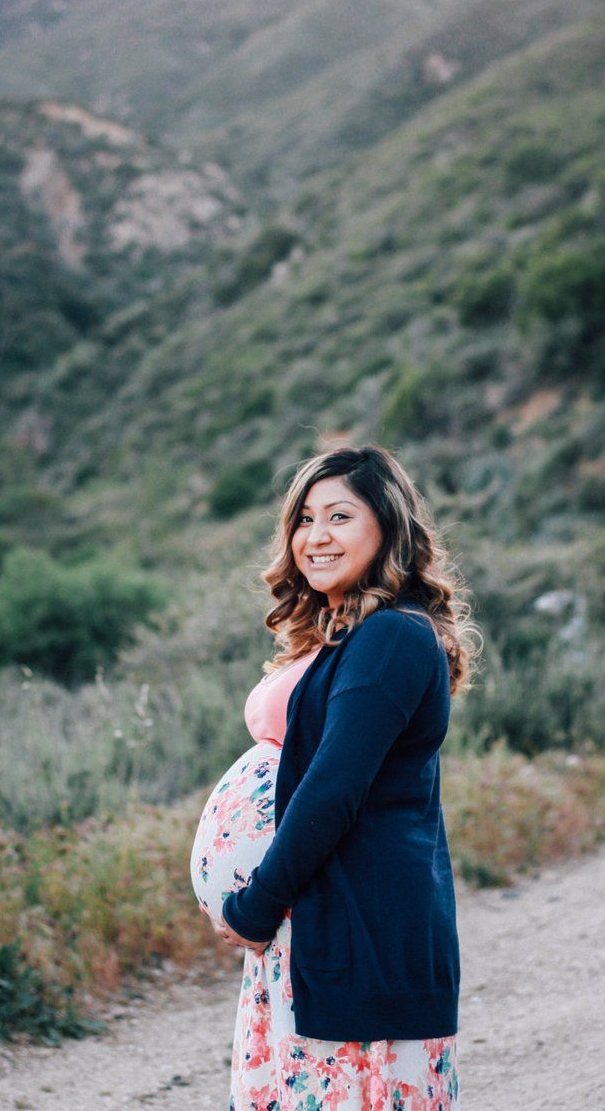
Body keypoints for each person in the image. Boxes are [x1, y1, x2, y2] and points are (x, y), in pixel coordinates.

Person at [204, 443, 480, 1109]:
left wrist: (257, 905)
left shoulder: (392, 637)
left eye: (339, 517)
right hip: (316, 923)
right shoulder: (348, 635)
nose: (315, 536)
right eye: (304, 519)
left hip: (358, 932)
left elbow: (332, 790)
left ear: (388, 527)